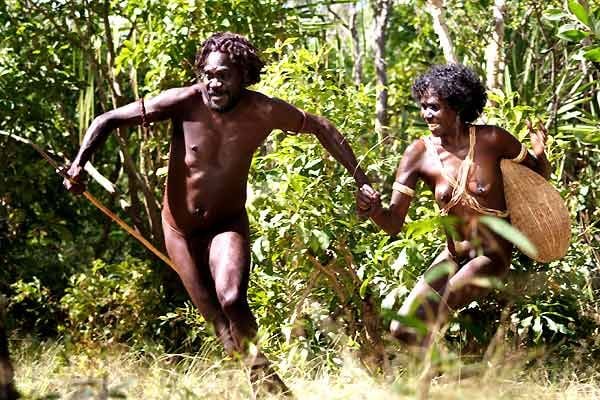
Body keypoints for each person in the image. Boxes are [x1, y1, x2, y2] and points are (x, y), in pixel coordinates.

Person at [64, 32, 373, 392]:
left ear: (242, 75)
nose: (214, 83)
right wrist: (78, 165)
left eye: (223, 75)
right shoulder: (183, 102)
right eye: (208, 74)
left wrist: (361, 180)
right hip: (179, 231)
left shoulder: (264, 110)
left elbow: (322, 127)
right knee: (220, 325)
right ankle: (267, 388)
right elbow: (106, 120)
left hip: (227, 224)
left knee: (232, 299)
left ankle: (269, 387)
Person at [357, 64, 550, 346]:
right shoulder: (418, 153)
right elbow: (393, 223)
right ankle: (443, 383)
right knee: (402, 328)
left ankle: (431, 386)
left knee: (432, 313)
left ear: (457, 105)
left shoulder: (493, 140)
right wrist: (372, 209)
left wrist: (540, 151)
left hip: (491, 255)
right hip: (453, 254)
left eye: (434, 107)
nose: (426, 114)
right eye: (423, 106)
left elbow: (538, 177)